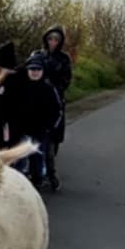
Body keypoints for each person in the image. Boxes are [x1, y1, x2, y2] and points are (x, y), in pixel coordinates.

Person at [0, 43, 42, 167]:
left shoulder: (15, 85)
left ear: (1, 66)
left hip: (7, 140)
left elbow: (11, 113)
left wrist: (1, 131)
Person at [20, 54, 65, 190]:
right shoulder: (21, 87)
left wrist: (49, 127)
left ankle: (38, 180)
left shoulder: (49, 89)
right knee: (21, 157)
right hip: (23, 129)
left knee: (39, 156)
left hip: (42, 130)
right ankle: (24, 181)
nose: (34, 72)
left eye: (38, 69)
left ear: (43, 71)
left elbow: (58, 110)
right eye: (32, 69)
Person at [38, 26, 74, 181]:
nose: (52, 42)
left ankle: (50, 167)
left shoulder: (64, 59)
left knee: (53, 137)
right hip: (37, 100)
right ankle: (37, 169)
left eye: (56, 40)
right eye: (50, 39)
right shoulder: (38, 55)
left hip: (55, 100)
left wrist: (52, 87)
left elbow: (66, 79)